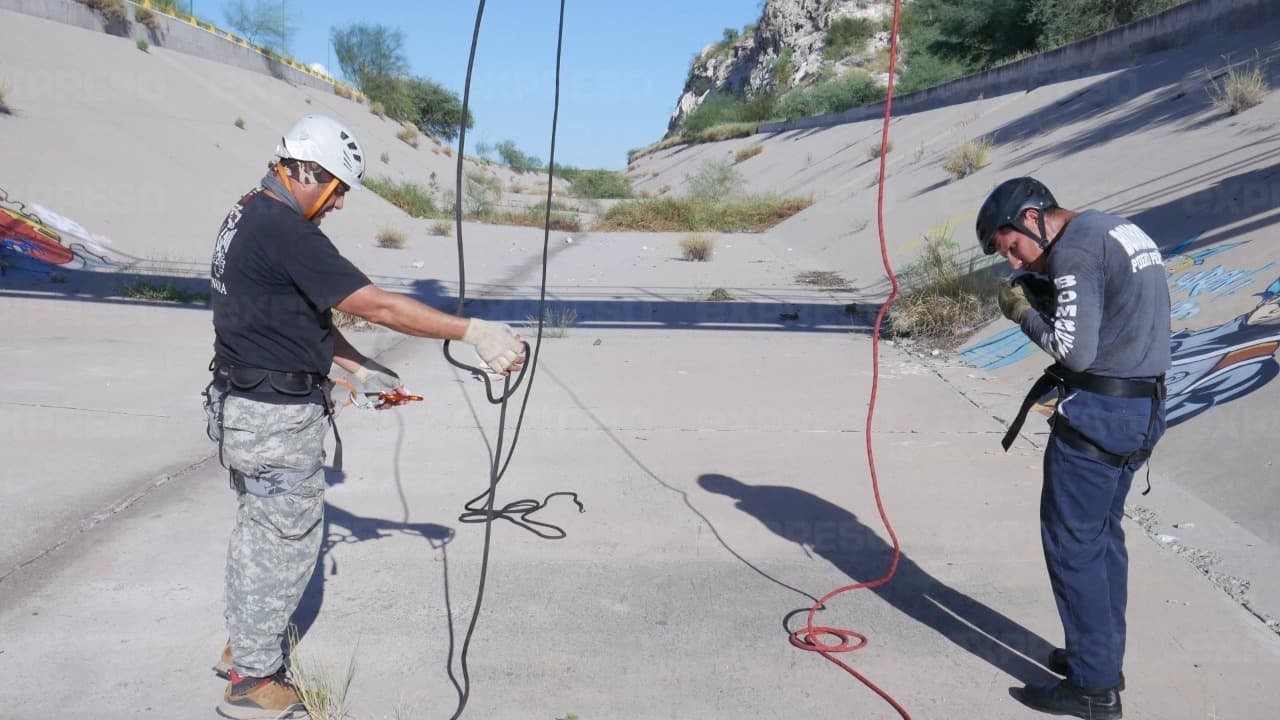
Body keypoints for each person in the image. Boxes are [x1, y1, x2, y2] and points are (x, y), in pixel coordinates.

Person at [203, 114, 525, 720]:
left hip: (244, 405)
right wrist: (472, 330)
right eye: (338, 187)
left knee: (257, 530)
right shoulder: (286, 231)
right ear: (304, 171)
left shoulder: (248, 213)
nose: (340, 202)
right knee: (286, 539)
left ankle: (245, 641)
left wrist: (354, 369)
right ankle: (252, 676)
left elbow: (289, 316)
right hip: (271, 418)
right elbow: (374, 304)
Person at [976, 177, 1170, 720]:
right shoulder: (1119, 228)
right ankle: (1099, 658)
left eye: (1012, 246)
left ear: (1035, 217)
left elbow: (1074, 351)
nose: (1015, 263)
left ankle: (1093, 690)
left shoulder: (1078, 248)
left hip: (1101, 416)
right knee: (1103, 539)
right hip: (1144, 407)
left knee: (1072, 545)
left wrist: (1023, 315)